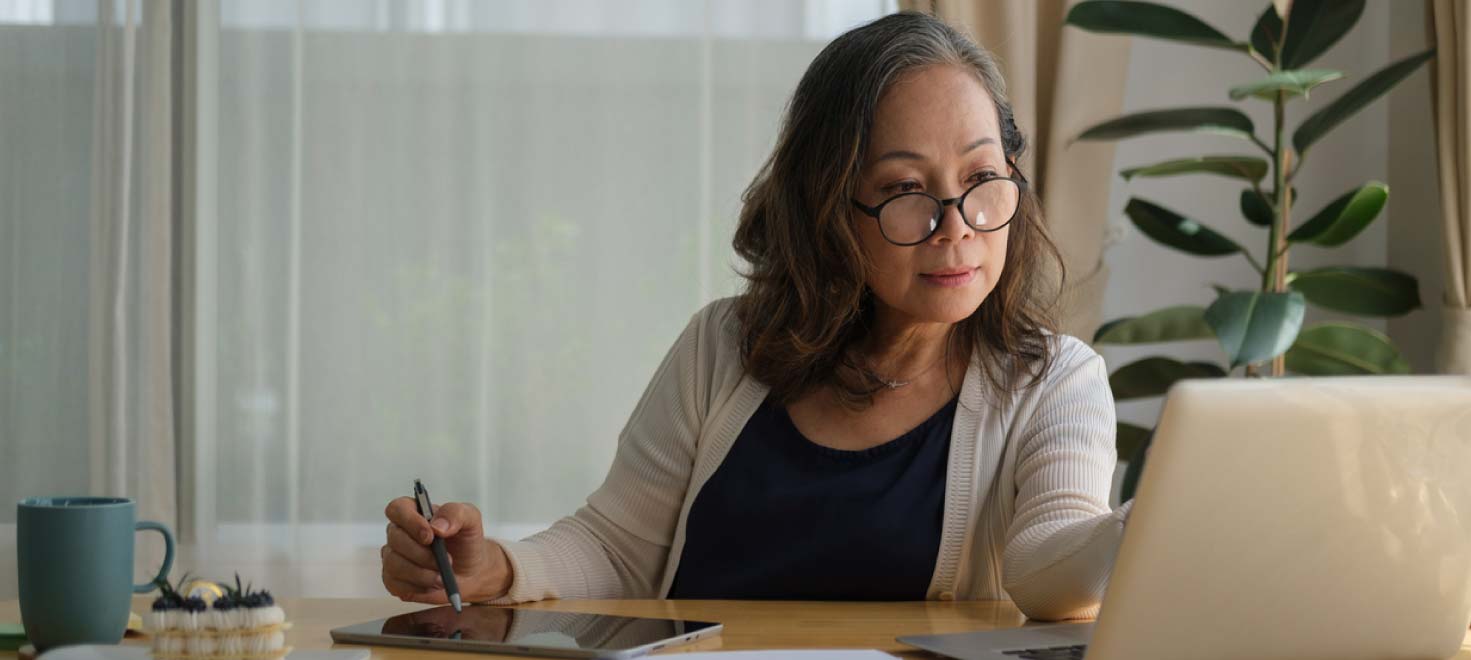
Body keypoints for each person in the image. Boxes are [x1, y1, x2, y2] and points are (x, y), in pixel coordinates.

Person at [380, 11, 1127, 622]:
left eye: (981, 178)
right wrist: (496, 568)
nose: (955, 225)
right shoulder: (723, 346)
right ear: (830, 207)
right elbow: (617, 546)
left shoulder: (1054, 380)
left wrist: (1151, 529)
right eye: (906, 188)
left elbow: (1048, 564)